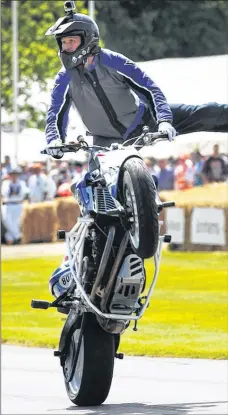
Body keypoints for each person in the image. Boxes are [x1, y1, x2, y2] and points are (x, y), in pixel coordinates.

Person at [44, 9, 228, 297]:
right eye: (62, 43)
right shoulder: (64, 78)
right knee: (90, 194)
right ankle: (76, 264)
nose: (65, 48)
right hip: (102, 141)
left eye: (70, 41)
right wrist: (54, 140)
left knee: (204, 112)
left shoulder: (114, 61)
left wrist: (165, 119)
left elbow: (150, 89)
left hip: (144, 121)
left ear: (88, 40)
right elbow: (55, 114)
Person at [1, 168, 29, 245]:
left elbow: (24, 192)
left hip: (18, 204)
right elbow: (5, 193)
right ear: (9, 175)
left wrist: (16, 190)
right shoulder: (6, 183)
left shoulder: (22, 183)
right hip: (8, 204)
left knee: (16, 222)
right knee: (6, 220)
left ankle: (10, 239)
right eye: (12, 174)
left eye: (15, 174)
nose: (14, 176)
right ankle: (18, 236)